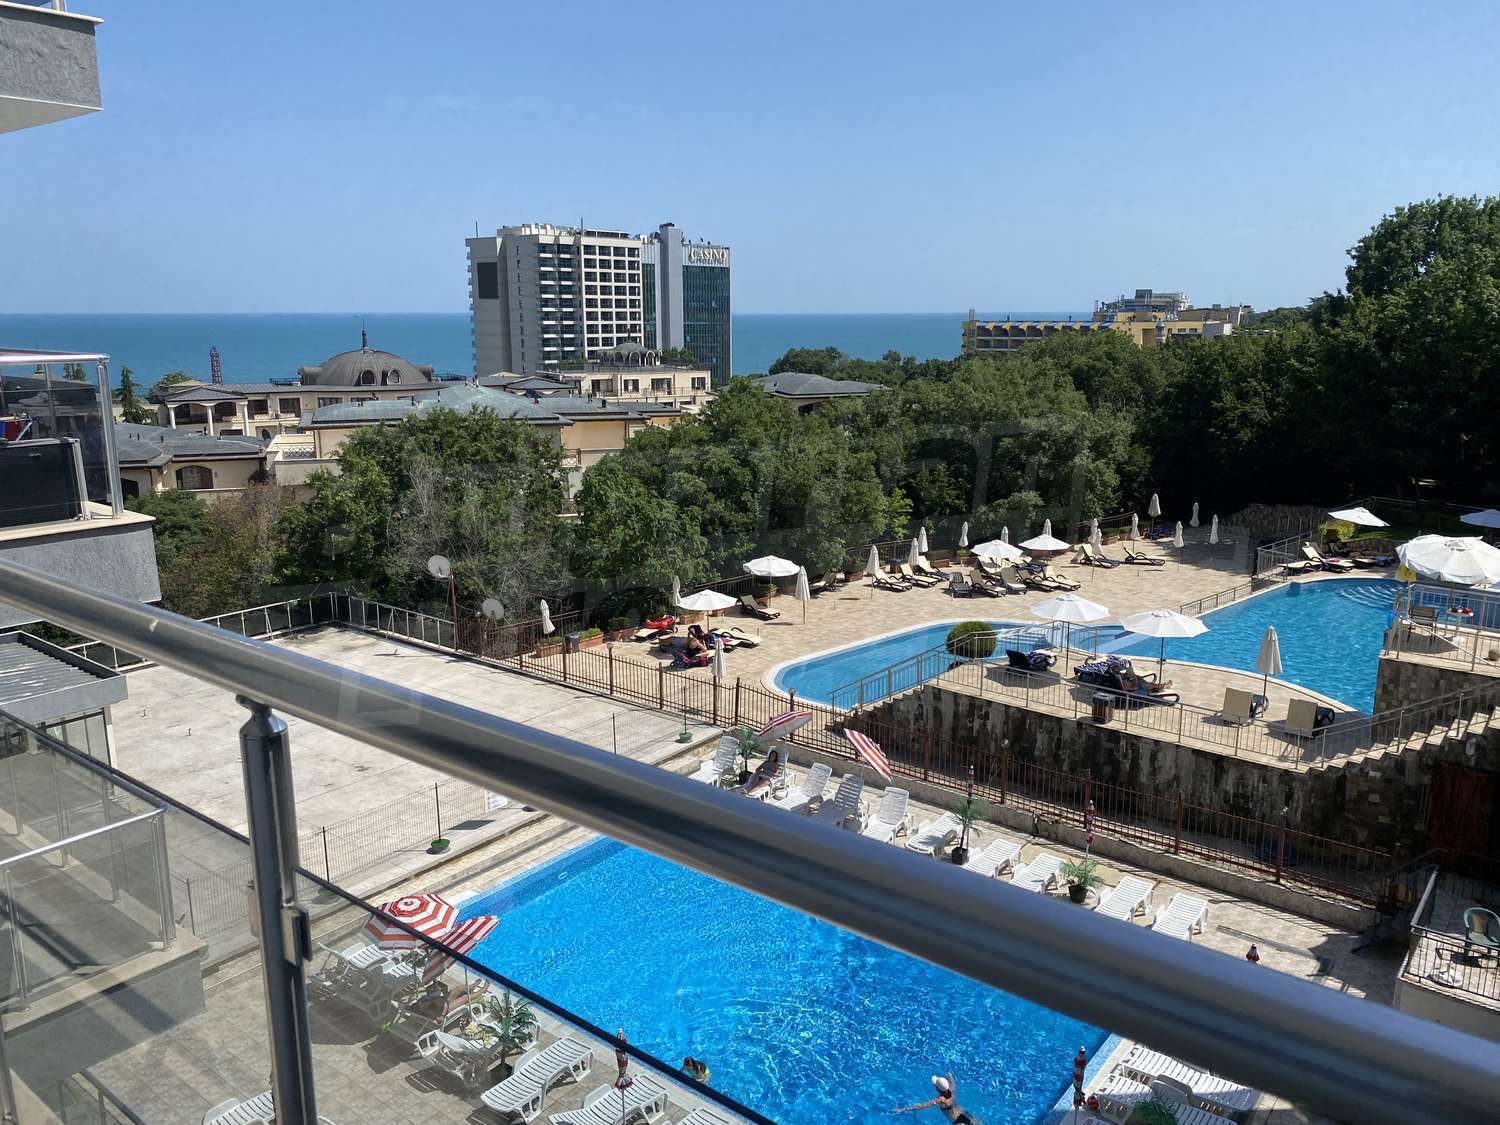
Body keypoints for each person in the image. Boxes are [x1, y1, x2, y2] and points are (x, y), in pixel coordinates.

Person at [893, 1073, 974, 1123]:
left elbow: (922, 1106)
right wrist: (949, 1075)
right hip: (964, 1114)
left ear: (937, 1089)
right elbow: (953, 1082)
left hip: (957, 1121)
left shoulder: (940, 1100)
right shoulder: (951, 1091)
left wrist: (902, 1109)